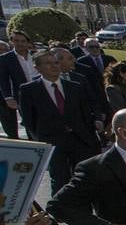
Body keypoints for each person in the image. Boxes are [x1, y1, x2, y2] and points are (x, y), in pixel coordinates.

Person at [17, 49, 101, 190]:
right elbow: (29, 120)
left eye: (56, 62)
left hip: (79, 140)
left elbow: (85, 114)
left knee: (83, 178)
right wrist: (40, 143)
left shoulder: (74, 87)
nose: (54, 66)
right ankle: (60, 210)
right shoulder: (29, 90)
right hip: (52, 142)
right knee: (59, 178)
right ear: (37, 67)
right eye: (48, 63)